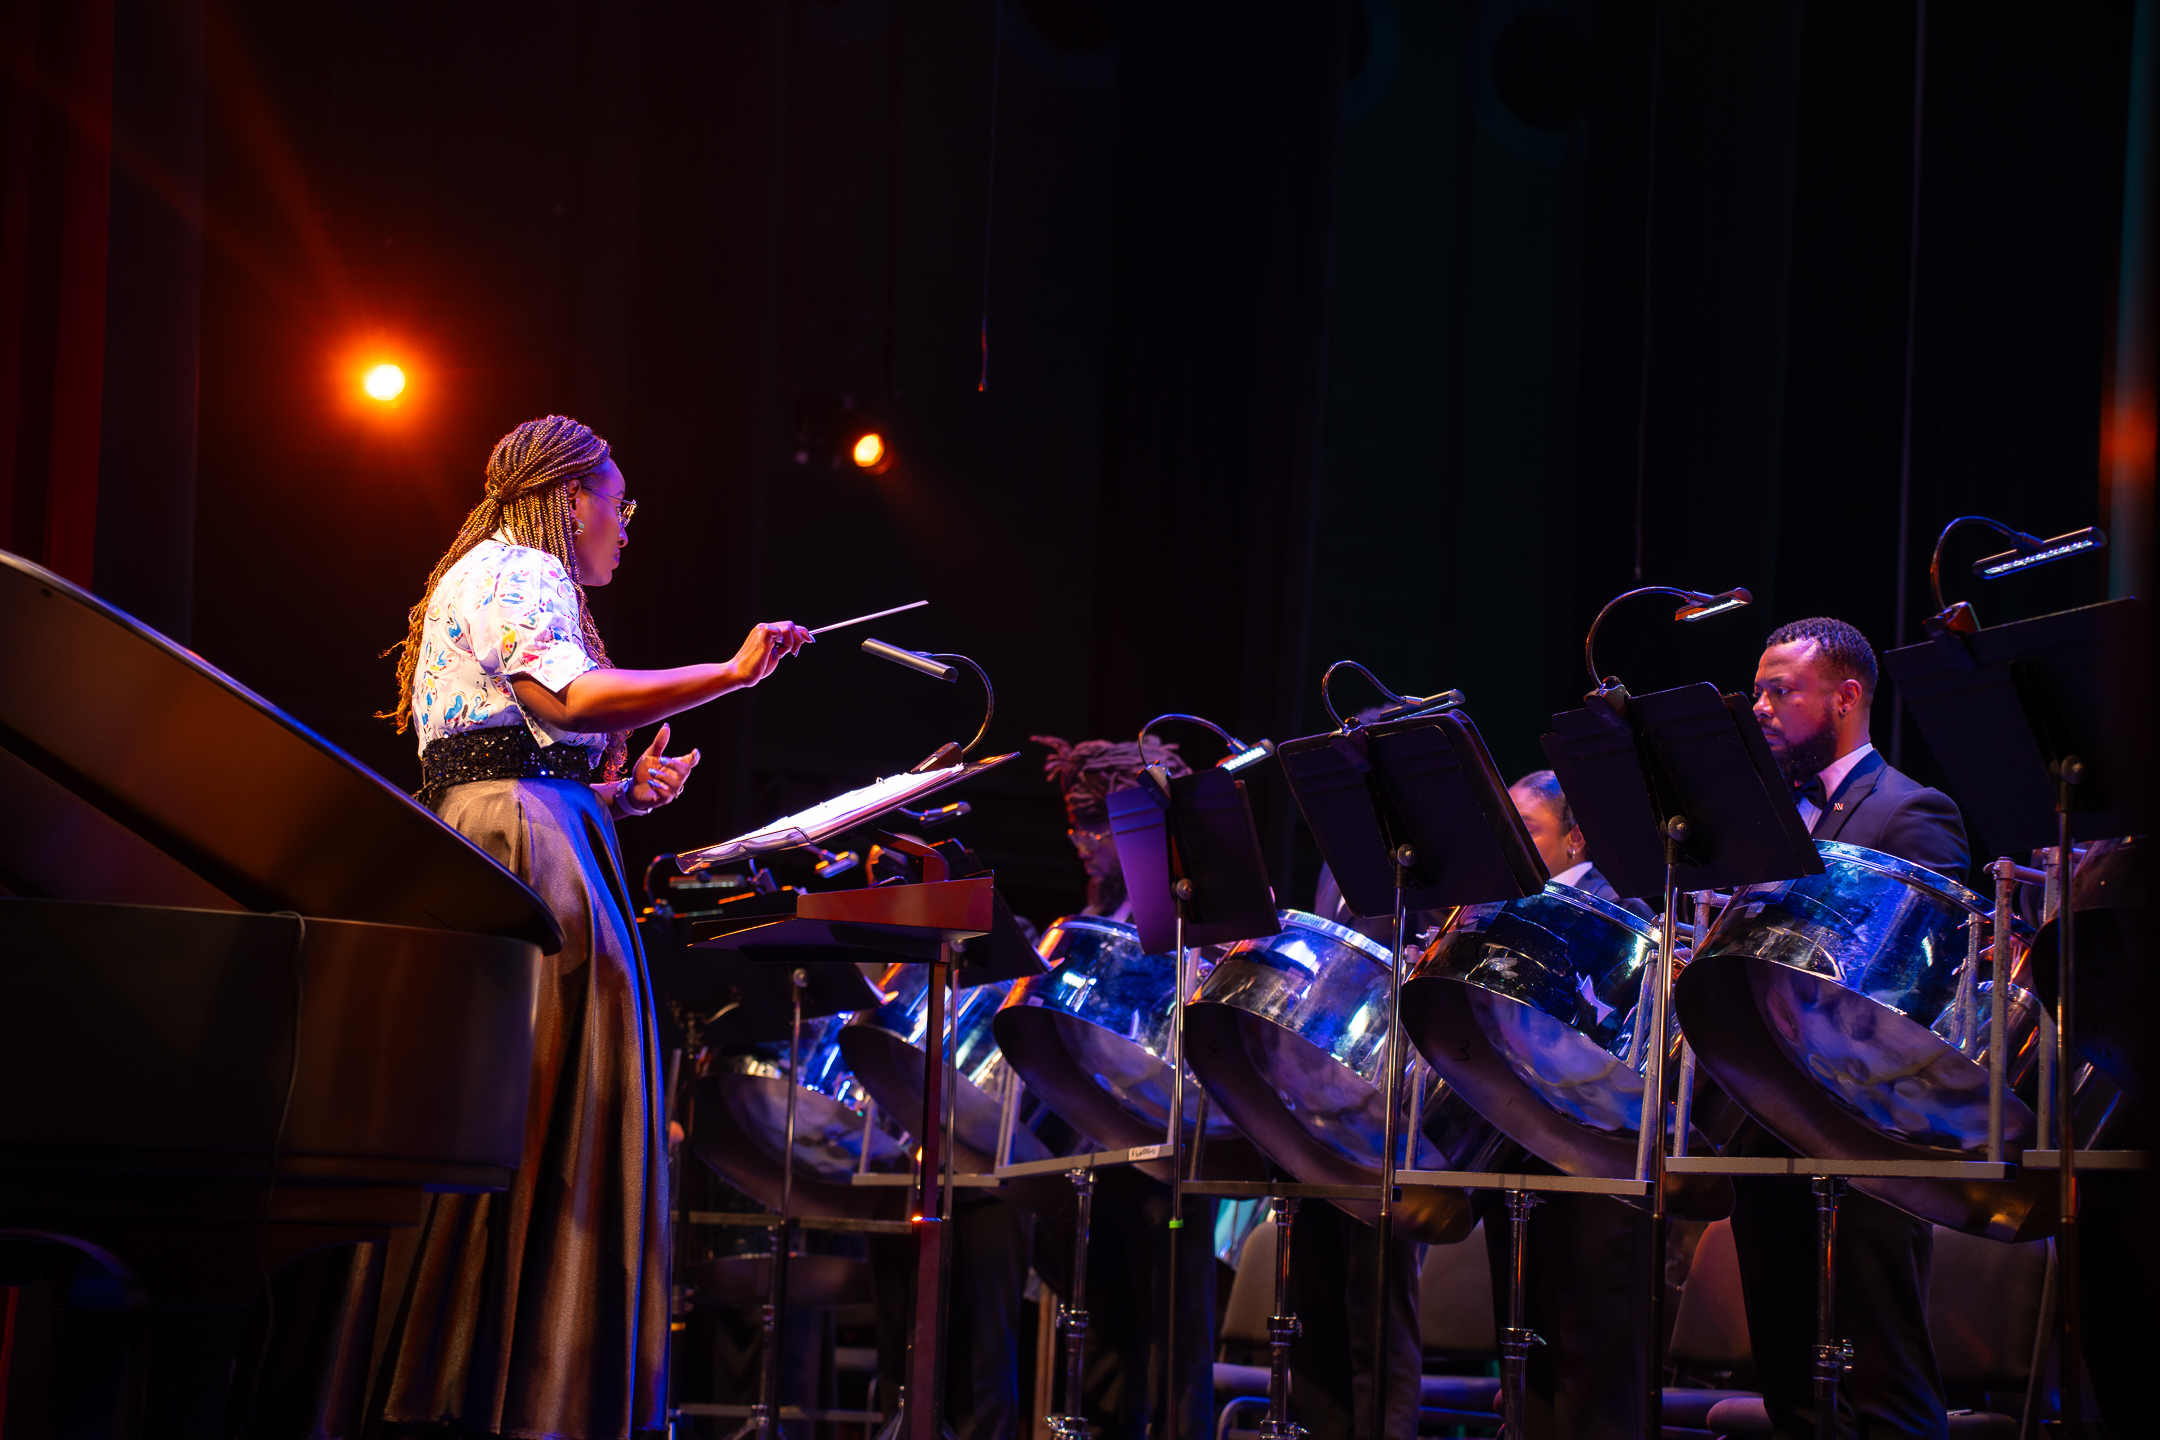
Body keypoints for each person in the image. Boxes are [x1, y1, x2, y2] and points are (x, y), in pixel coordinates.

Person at [369, 415, 813, 1440]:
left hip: (516, 832)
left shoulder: (484, 572)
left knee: (525, 1110)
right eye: (620, 503)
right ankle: (533, 1395)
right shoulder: (520, 569)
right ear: (573, 500)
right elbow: (564, 700)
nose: (625, 524)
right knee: (560, 1108)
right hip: (530, 855)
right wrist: (734, 674)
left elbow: (506, 750)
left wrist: (615, 799)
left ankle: (482, 1377)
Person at [1734, 616, 1968, 1440]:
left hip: (1865, 1129)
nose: (1759, 706)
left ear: (1845, 697)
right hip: (1763, 1123)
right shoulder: (1761, 820)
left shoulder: (1911, 811)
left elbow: (1932, 982)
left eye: (1780, 690)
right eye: (1757, 689)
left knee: (1881, 1379)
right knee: (1789, 1383)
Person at [1030, 734, 1216, 1440]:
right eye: (1075, 824)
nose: (1083, 841)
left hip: (1172, 1145)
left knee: (1175, 1337)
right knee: (1108, 1336)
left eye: (1097, 824)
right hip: (1101, 1142)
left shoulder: (1198, 902)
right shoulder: (1098, 913)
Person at [1466, 768, 1656, 1440]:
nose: (1511, 842)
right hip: (1513, 1133)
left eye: (1531, 829)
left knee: (1591, 1357)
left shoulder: (1617, 902)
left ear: (1575, 840)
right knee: (1525, 1349)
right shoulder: (1498, 901)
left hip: (1588, 1147)